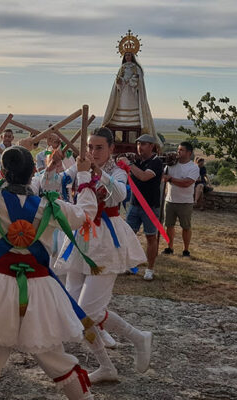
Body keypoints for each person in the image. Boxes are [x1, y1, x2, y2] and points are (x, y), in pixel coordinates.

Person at [0, 145, 98, 400]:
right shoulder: (51, 208)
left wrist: (21, 154)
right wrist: (83, 175)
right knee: (57, 359)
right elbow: (86, 214)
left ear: (6, 170)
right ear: (33, 172)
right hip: (38, 289)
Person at [54, 127, 150, 383]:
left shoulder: (117, 170)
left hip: (106, 240)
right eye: (90, 147)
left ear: (111, 149)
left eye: (99, 147)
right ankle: (106, 367)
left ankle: (137, 337)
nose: (93, 152)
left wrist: (97, 172)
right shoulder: (80, 166)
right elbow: (55, 184)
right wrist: (54, 169)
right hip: (81, 239)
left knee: (89, 312)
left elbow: (120, 194)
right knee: (75, 310)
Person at [102, 43, 160, 146]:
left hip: (132, 94)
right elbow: (117, 83)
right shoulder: (122, 68)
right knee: (121, 106)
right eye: (126, 55)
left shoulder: (136, 68)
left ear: (132, 56)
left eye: (129, 55)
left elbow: (138, 81)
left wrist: (133, 81)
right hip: (123, 93)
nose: (127, 57)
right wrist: (119, 81)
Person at [125, 134, 163, 281]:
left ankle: (150, 269)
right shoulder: (137, 161)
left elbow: (143, 176)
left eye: (144, 144)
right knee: (128, 235)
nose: (140, 147)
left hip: (150, 206)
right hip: (134, 204)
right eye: (138, 144)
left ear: (152, 146)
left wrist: (128, 164)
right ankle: (130, 264)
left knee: (151, 237)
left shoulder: (156, 162)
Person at [162, 142, 199, 257]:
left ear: (189, 153)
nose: (178, 152)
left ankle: (186, 249)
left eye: (181, 150)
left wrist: (171, 179)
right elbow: (163, 176)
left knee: (186, 227)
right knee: (169, 225)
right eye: (178, 149)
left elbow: (187, 183)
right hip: (170, 200)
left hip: (185, 202)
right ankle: (170, 246)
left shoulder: (193, 167)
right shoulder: (171, 164)